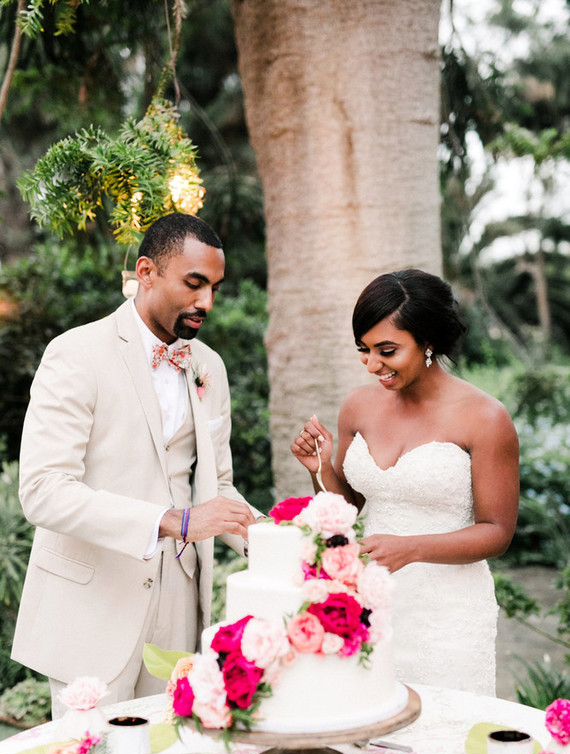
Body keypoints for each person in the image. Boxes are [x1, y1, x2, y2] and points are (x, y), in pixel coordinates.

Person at [12, 213, 258, 716]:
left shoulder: (208, 366)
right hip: (94, 604)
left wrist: (288, 544)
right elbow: (43, 489)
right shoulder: (76, 353)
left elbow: (221, 487)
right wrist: (174, 522)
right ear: (146, 272)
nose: (206, 303)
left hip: (180, 606)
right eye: (194, 284)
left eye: (214, 287)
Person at [291, 269, 519, 695]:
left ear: (428, 341)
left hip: (447, 616)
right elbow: (350, 508)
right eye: (363, 350)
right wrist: (318, 468)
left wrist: (412, 547)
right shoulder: (358, 407)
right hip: (371, 604)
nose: (372, 364)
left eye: (387, 350)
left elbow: (498, 532)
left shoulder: (485, 418)